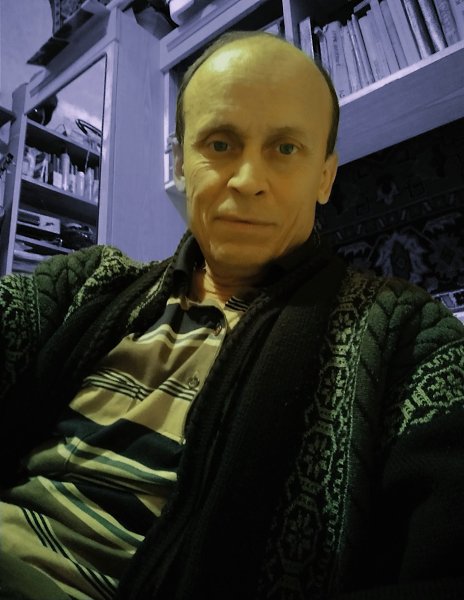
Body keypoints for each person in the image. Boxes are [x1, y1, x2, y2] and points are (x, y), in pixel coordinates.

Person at [1, 29, 464, 600]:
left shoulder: (407, 338)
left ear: (325, 176)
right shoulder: (86, 281)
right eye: (220, 144)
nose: (248, 181)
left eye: (286, 149)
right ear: (181, 163)